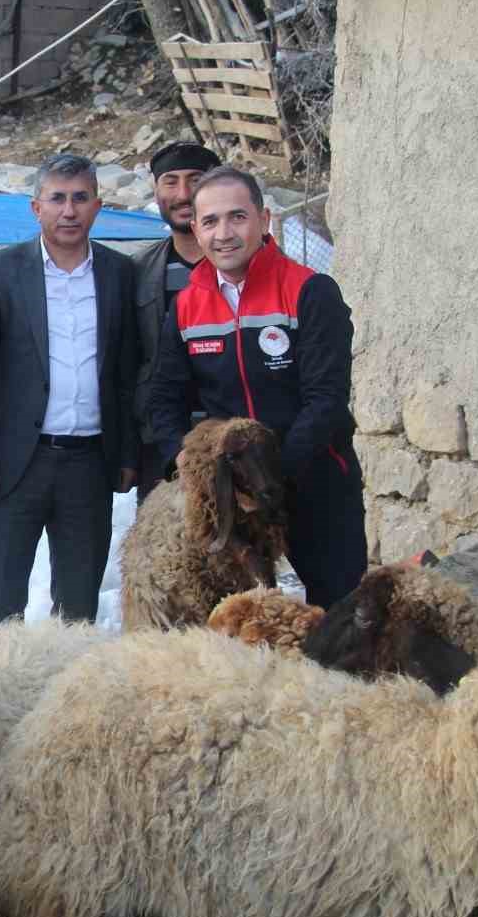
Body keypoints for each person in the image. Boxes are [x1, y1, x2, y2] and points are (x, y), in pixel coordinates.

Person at [148, 165, 366, 607]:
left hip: (315, 480)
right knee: (238, 619)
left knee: (340, 613)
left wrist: (272, 473)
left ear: (264, 220)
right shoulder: (187, 305)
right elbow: (163, 397)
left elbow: (325, 400)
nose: (224, 233)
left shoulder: (310, 291)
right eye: (210, 221)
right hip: (233, 496)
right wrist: (185, 458)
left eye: (237, 217)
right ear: (196, 229)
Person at [0, 153, 139, 630]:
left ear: (97, 206)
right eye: (57, 199)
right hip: (14, 463)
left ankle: (69, 679)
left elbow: (126, 372)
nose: (69, 211)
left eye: (80, 198)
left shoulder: (120, 273)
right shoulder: (0, 271)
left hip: (89, 465)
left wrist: (126, 453)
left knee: (78, 607)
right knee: (2, 602)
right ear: (36, 208)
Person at [131, 140, 221, 503]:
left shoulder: (242, 267)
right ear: (156, 191)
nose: (183, 194)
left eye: (195, 179)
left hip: (234, 439)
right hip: (161, 444)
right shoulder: (138, 271)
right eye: (171, 182)